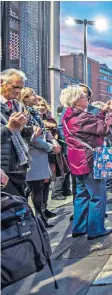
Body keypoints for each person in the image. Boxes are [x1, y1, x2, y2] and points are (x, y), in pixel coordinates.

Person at [61, 85, 112, 239]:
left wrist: (102, 111)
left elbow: (93, 125)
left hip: (77, 161)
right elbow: (105, 129)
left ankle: (79, 227)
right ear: (75, 100)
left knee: (82, 194)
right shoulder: (82, 118)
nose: (86, 98)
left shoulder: (68, 115)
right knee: (98, 195)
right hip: (90, 160)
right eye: (82, 96)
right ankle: (96, 229)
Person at [20, 87, 61, 227]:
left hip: (40, 155)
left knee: (40, 187)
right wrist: (50, 147)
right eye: (32, 95)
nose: (36, 97)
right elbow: (31, 138)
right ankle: (37, 220)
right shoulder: (24, 113)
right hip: (33, 155)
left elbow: (43, 131)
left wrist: (53, 142)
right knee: (34, 189)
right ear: (25, 98)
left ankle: (40, 217)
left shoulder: (34, 113)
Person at [0, 69, 33, 198]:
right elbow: (9, 130)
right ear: (1, 83)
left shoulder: (17, 105)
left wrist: (26, 129)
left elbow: (20, 135)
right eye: (15, 87)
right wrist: (10, 127)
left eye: (21, 87)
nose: (18, 91)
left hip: (18, 162)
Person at [38, 96, 70, 205]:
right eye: (38, 105)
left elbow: (55, 131)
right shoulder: (30, 118)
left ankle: (44, 207)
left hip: (53, 150)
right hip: (39, 152)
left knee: (49, 178)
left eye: (43, 105)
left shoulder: (50, 119)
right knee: (38, 183)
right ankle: (40, 210)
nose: (41, 107)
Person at [51, 105, 73, 200]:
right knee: (62, 170)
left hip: (63, 147)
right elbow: (60, 132)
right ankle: (56, 192)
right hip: (60, 148)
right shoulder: (58, 119)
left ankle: (66, 189)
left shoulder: (54, 119)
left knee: (67, 170)